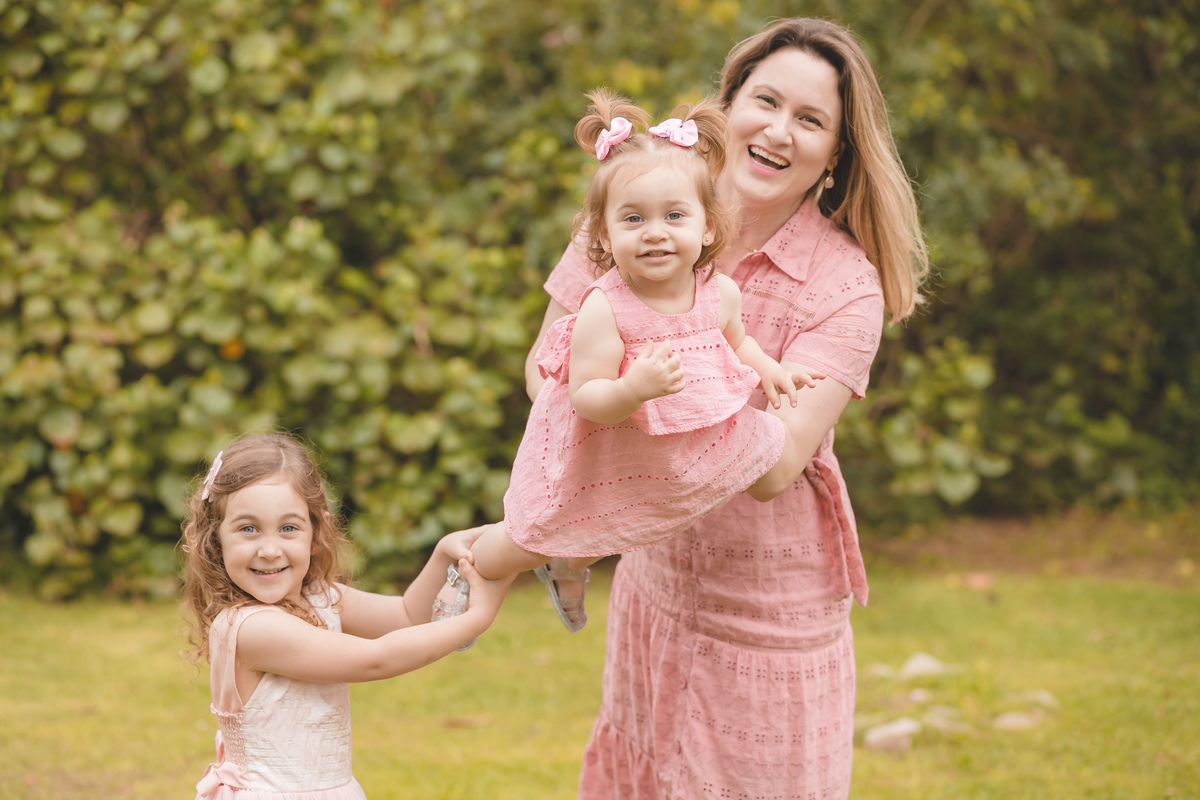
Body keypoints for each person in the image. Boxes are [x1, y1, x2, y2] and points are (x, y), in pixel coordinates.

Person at [526, 18, 929, 799]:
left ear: (837, 153)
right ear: (729, 104)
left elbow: (777, 465)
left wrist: (626, 403)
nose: (779, 131)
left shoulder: (846, 287)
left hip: (769, 615)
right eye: (765, 101)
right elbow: (547, 368)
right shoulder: (633, 209)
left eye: (810, 120)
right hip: (655, 586)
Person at [431, 90, 822, 640]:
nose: (655, 231)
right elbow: (583, 394)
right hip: (604, 439)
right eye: (633, 218)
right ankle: (473, 574)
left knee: (614, 520)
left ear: (707, 227)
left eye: (675, 215)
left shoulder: (719, 293)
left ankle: (569, 563)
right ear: (605, 235)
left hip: (673, 447)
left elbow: (739, 345)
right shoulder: (606, 307)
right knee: (534, 533)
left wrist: (774, 371)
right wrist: (633, 388)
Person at [180, 434, 510, 799]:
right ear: (216, 539)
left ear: (315, 532)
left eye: (288, 528)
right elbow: (374, 659)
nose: (270, 549)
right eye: (248, 529)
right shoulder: (250, 628)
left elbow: (406, 615)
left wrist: (441, 555)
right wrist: (477, 617)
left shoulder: (321, 598)